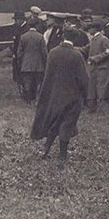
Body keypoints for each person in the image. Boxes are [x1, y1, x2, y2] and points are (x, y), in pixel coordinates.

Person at [30, 35, 90, 168]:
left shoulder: (52, 52)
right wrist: (87, 96)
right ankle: (62, 155)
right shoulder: (77, 56)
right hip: (72, 97)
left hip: (55, 96)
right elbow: (83, 79)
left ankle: (46, 148)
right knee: (67, 125)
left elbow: (48, 75)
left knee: (55, 123)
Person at [84, 20, 109, 113]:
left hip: (103, 68)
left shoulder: (103, 39)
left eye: (90, 28)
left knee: (103, 87)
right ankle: (93, 107)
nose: (89, 30)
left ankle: (106, 107)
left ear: (95, 29)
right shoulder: (93, 39)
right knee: (93, 87)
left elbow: (108, 52)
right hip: (95, 68)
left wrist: (96, 58)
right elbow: (86, 48)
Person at [16, 21, 48, 104]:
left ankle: (28, 100)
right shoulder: (40, 37)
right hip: (38, 64)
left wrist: (20, 62)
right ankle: (37, 100)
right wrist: (45, 62)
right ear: (36, 26)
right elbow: (44, 52)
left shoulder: (23, 37)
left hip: (26, 64)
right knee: (38, 83)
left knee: (27, 82)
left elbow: (19, 52)